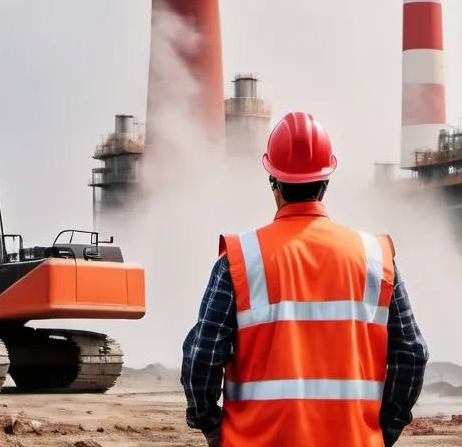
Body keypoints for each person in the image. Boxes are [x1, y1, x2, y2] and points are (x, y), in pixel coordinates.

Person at [181, 111, 429, 447]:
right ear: (326, 182)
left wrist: (209, 424)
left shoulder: (240, 258)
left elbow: (202, 354)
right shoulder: (376, 258)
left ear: (274, 184)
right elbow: (412, 353)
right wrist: (384, 431)